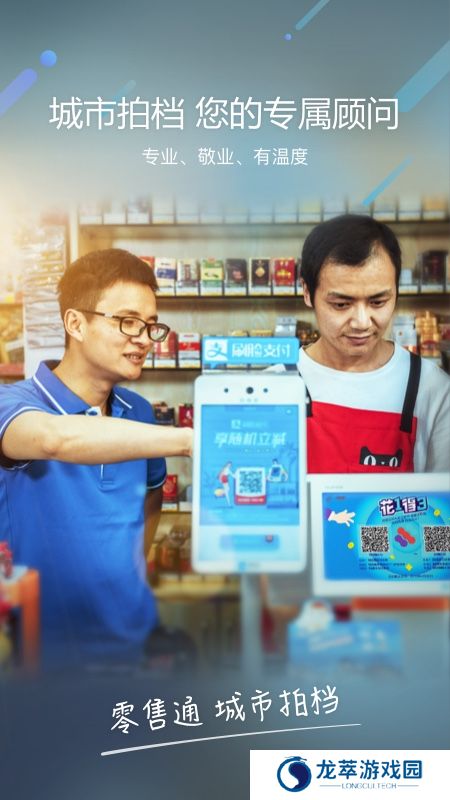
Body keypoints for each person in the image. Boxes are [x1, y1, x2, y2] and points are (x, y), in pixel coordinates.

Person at [0, 248, 192, 665]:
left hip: (129, 643)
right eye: (128, 321)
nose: (144, 338)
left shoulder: (139, 412)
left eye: (151, 325)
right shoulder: (11, 403)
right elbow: (53, 440)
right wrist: (189, 441)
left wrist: (129, 572)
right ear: (76, 323)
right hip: (38, 654)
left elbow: (151, 496)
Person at [295, 214, 449, 473]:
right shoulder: (277, 384)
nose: (362, 322)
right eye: (341, 304)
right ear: (307, 292)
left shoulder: (432, 388)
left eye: (378, 302)